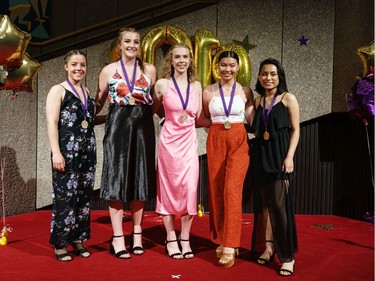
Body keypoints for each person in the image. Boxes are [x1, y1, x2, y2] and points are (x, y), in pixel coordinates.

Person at [95, 27, 157, 259]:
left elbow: (155, 104)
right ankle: (118, 237)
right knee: (117, 180)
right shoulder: (108, 70)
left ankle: (138, 234)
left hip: (143, 129)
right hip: (117, 128)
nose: (132, 45)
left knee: (140, 180)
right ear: (119, 44)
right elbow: (98, 103)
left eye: (136, 42)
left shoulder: (149, 70)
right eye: (127, 41)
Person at [153, 43, 210, 260]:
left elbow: (198, 118)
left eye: (185, 57)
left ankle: (185, 238)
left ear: (190, 60)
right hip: (168, 145)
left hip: (189, 145)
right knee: (168, 192)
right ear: (171, 60)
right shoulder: (162, 85)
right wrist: (165, 120)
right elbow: (153, 110)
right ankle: (170, 238)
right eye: (177, 57)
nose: (181, 61)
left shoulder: (196, 86)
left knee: (190, 190)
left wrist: (220, 123)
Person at [202, 50, 254, 268]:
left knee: (232, 190)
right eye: (223, 65)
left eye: (232, 65)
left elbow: (252, 119)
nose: (227, 69)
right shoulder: (207, 91)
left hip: (239, 139)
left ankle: (231, 244)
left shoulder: (245, 91)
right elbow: (203, 117)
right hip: (216, 138)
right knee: (216, 190)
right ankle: (221, 237)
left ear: (238, 67)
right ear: (217, 66)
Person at [250, 58, 300, 276]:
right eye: (263, 74)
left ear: (279, 76)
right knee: (264, 205)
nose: (267, 78)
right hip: (260, 157)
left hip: (280, 157)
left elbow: (296, 130)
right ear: (259, 77)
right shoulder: (259, 101)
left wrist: (289, 156)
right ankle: (268, 248)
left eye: (272, 74)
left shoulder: (288, 98)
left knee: (280, 207)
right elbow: (255, 129)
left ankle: (287, 257)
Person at [46, 49, 97, 262]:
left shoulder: (86, 91)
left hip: (87, 152)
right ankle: (60, 244)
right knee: (65, 198)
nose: (79, 68)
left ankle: (78, 239)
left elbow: (88, 121)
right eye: (74, 64)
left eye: (82, 64)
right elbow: (51, 122)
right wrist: (56, 152)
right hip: (66, 152)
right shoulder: (58, 90)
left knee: (84, 198)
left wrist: (118, 112)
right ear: (66, 66)